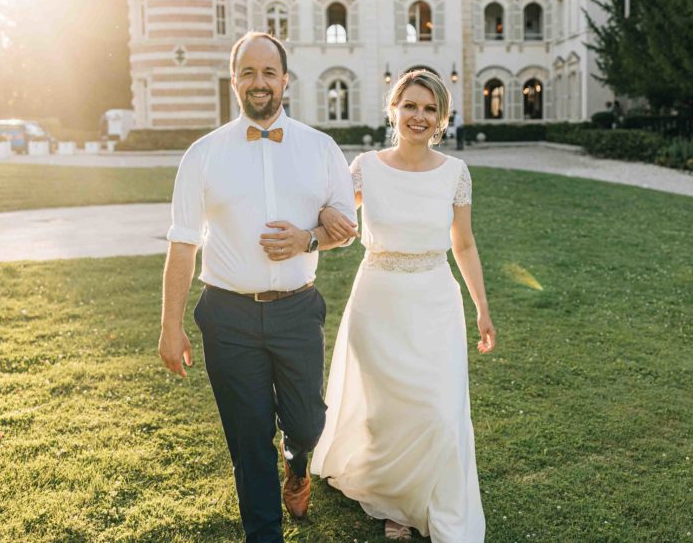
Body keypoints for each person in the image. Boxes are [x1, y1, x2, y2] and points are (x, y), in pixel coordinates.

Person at [158, 31, 358, 543]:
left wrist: (306, 239)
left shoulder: (321, 148)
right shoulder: (202, 155)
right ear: (233, 81)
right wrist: (170, 326)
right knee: (248, 439)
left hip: (297, 311)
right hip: (228, 316)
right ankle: (263, 533)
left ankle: (298, 464)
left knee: (307, 421)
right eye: (248, 72)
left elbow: (344, 232)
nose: (259, 82)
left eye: (269, 72)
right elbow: (183, 243)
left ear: (285, 79)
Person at [312, 70, 497, 542]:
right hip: (378, 300)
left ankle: (430, 498)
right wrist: (307, 236)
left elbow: (466, 245)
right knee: (386, 410)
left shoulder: (456, 172)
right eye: (410, 105)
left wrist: (482, 306)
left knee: (437, 409)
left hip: (435, 300)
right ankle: (396, 504)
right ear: (393, 109)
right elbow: (335, 229)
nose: (419, 116)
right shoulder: (365, 169)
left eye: (430, 108)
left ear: (441, 119)